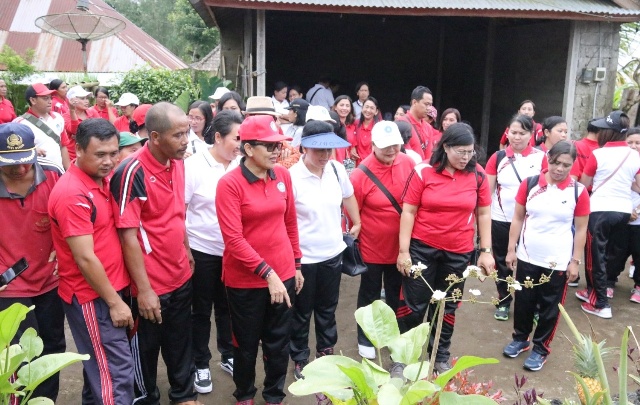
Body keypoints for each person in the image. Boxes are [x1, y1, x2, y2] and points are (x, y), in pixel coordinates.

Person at [111, 102, 201, 405]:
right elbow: (127, 235)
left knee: (180, 342)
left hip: (179, 274)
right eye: (178, 135)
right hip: (149, 284)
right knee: (145, 350)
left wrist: (186, 249)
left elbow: (177, 214)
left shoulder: (178, 162)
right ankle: (145, 398)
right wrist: (145, 290)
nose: (185, 140)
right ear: (154, 137)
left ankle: (184, 395)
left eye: (186, 132)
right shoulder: (130, 171)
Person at [215, 115, 303, 405]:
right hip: (246, 281)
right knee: (245, 344)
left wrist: (297, 264)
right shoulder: (230, 184)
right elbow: (233, 239)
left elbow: (290, 223)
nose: (276, 151)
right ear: (249, 148)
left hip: (284, 273)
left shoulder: (283, 176)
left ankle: (274, 396)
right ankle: (245, 395)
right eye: (269, 146)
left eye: (278, 145)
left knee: (279, 342)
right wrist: (268, 273)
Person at [48, 118, 134, 404]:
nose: (109, 161)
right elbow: (85, 257)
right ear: (78, 150)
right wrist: (114, 302)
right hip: (93, 297)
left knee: (98, 371)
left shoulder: (99, 179)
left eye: (113, 153)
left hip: (105, 291)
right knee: (115, 373)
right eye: (100, 154)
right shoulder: (73, 193)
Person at [397, 123, 494, 373]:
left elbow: (483, 213)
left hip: (459, 252)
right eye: (460, 152)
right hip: (422, 249)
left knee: (447, 304)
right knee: (414, 304)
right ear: (446, 147)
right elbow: (408, 211)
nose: (466, 157)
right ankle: (404, 355)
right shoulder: (424, 172)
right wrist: (404, 251)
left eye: (470, 152)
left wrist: (486, 251)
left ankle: (440, 354)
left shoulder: (478, 175)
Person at [503, 141, 589, 371]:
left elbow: (581, 229)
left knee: (551, 307)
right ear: (547, 158)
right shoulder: (530, 184)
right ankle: (520, 339)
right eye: (555, 162)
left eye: (566, 165)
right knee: (523, 302)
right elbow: (518, 218)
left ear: (573, 165)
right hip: (528, 256)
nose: (559, 169)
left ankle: (541, 349)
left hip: (557, 261)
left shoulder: (577, 192)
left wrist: (575, 262)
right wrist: (512, 249)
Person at [288, 120, 360, 380]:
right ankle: (299, 357)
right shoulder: (292, 177)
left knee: (327, 308)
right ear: (304, 147)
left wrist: (357, 221)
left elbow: (348, 195)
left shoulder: (337, 170)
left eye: (329, 149)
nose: (325, 155)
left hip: (332, 253)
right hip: (303, 258)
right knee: (301, 310)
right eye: (319, 150)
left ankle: (326, 352)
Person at [0, 123, 66, 402]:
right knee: (13, 355)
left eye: (25, 161)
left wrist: (65, 250)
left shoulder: (53, 173)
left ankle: (45, 400)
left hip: (50, 279)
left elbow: (70, 216)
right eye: (10, 164)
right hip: (8, 285)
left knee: (52, 347)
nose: (19, 169)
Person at [184, 110, 242, 394]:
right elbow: (179, 212)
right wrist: (186, 251)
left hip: (234, 252)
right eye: (236, 138)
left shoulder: (241, 165)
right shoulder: (194, 166)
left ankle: (227, 355)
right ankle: (201, 363)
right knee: (201, 309)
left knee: (228, 306)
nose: (240, 145)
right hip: (202, 249)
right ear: (218, 137)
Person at [349, 121, 415, 360]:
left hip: (401, 245)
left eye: (395, 145)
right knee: (370, 293)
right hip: (372, 246)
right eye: (386, 146)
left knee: (397, 290)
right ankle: (366, 335)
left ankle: (392, 333)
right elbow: (352, 211)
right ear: (373, 145)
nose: (391, 150)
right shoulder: (360, 174)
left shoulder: (408, 162)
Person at [577, 110, 640, 319]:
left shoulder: (598, 154)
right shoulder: (635, 155)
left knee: (595, 256)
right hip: (623, 211)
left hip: (600, 210)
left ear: (609, 132)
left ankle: (601, 304)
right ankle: (593, 292)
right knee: (607, 253)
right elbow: (638, 186)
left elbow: (585, 184)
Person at [486, 114, 545, 321]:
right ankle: (503, 300)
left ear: (531, 135)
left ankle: (532, 306)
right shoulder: (498, 158)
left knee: (530, 263)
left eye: (522, 133)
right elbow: (488, 191)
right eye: (513, 132)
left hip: (530, 221)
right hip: (501, 218)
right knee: (502, 262)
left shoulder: (541, 158)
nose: (517, 137)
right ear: (507, 132)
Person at [605, 127, 640, 302]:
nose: (633, 146)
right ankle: (609, 282)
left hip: (638, 220)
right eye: (630, 142)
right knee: (615, 252)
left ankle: (638, 287)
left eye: (638, 143)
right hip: (621, 217)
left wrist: (636, 211)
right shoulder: (621, 163)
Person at [14, 83, 71, 169]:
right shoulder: (20, 124)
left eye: (50, 98)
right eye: (45, 98)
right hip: (36, 175)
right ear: (33, 100)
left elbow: (63, 146)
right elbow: (13, 152)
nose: (50, 101)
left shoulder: (58, 118)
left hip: (57, 173)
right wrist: (30, 150)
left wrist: (68, 172)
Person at [396, 86, 435, 162]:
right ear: (414, 102)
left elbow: (429, 156)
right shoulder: (401, 123)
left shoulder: (428, 127)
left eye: (430, 105)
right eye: (426, 104)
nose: (429, 108)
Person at [63, 85, 99, 161]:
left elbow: (101, 128)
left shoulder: (92, 112)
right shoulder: (65, 116)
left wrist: (82, 135)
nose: (87, 101)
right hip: (73, 157)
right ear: (72, 100)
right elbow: (75, 131)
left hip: (92, 153)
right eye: (82, 98)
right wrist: (72, 111)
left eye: (87, 98)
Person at [348, 96, 380, 166]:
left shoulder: (379, 127)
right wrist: (352, 147)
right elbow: (348, 137)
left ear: (376, 111)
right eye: (366, 107)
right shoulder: (354, 123)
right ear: (362, 109)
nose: (368, 110)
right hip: (355, 166)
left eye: (372, 108)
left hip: (372, 166)